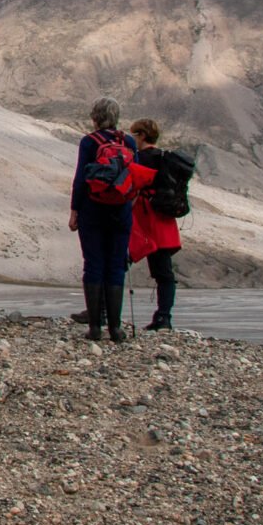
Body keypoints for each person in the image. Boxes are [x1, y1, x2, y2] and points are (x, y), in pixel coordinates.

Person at [70, 97, 137, 343]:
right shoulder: (128, 141)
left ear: (95, 117)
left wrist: (75, 210)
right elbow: (135, 176)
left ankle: (95, 327)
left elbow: (80, 178)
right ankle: (116, 329)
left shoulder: (89, 142)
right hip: (120, 210)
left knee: (94, 263)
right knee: (116, 265)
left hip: (93, 209)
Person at [129, 118, 183, 331]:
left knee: (117, 263)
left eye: (133, 134)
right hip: (164, 222)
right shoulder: (166, 160)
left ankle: (104, 310)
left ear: (141, 135)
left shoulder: (138, 159)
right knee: (164, 273)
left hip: (142, 219)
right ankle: (164, 317)